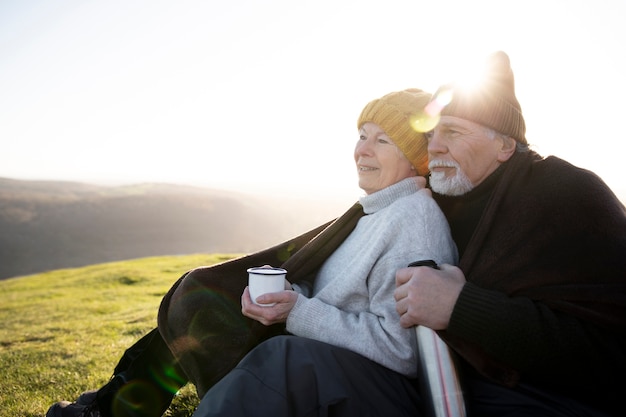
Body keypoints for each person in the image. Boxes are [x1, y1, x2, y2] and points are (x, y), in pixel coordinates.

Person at [189, 51, 626, 416]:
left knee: (289, 365)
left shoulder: (567, 193)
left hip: (542, 402)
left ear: (506, 145)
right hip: (450, 388)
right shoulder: (451, 194)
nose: (433, 147)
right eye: (431, 134)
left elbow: (609, 347)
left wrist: (462, 307)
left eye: (452, 132)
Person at [47, 88, 458, 417]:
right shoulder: (377, 210)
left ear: (415, 157)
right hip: (325, 353)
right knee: (208, 305)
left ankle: (113, 409)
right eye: (362, 135)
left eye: (382, 140)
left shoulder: (412, 221)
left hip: (362, 382)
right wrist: (288, 294)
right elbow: (343, 293)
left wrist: (296, 311)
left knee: (240, 336)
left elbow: (402, 352)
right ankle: (116, 404)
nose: (363, 150)